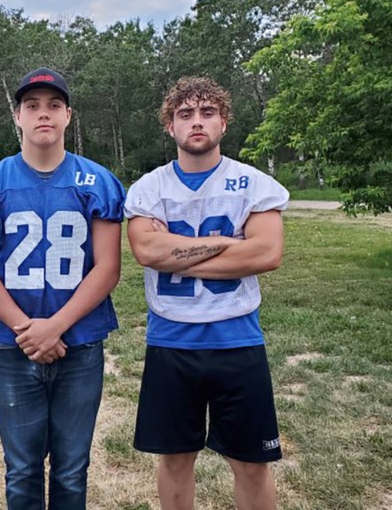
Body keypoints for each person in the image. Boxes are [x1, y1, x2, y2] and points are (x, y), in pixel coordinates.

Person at [0, 67, 125, 509]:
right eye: (32, 106)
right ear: (17, 116)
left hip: (80, 343)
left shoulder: (97, 182)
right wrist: (26, 329)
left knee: (72, 468)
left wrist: (56, 326)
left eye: (54, 105)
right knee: (22, 470)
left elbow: (108, 267)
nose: (43, 115)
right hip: (14, 346)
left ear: (69, 115)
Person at [124, 76, 288, 510]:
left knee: (251, 462)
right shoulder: (148, 188)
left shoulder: (253, 183)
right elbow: (146, 250)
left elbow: (268, 252)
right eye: (185, 114)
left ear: (224, 122)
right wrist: (235, 244)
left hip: (237, 339)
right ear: (170, 126)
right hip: (171, 340)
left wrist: (175, 254)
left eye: (207, 112)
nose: (197, 122)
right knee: (175, 459)